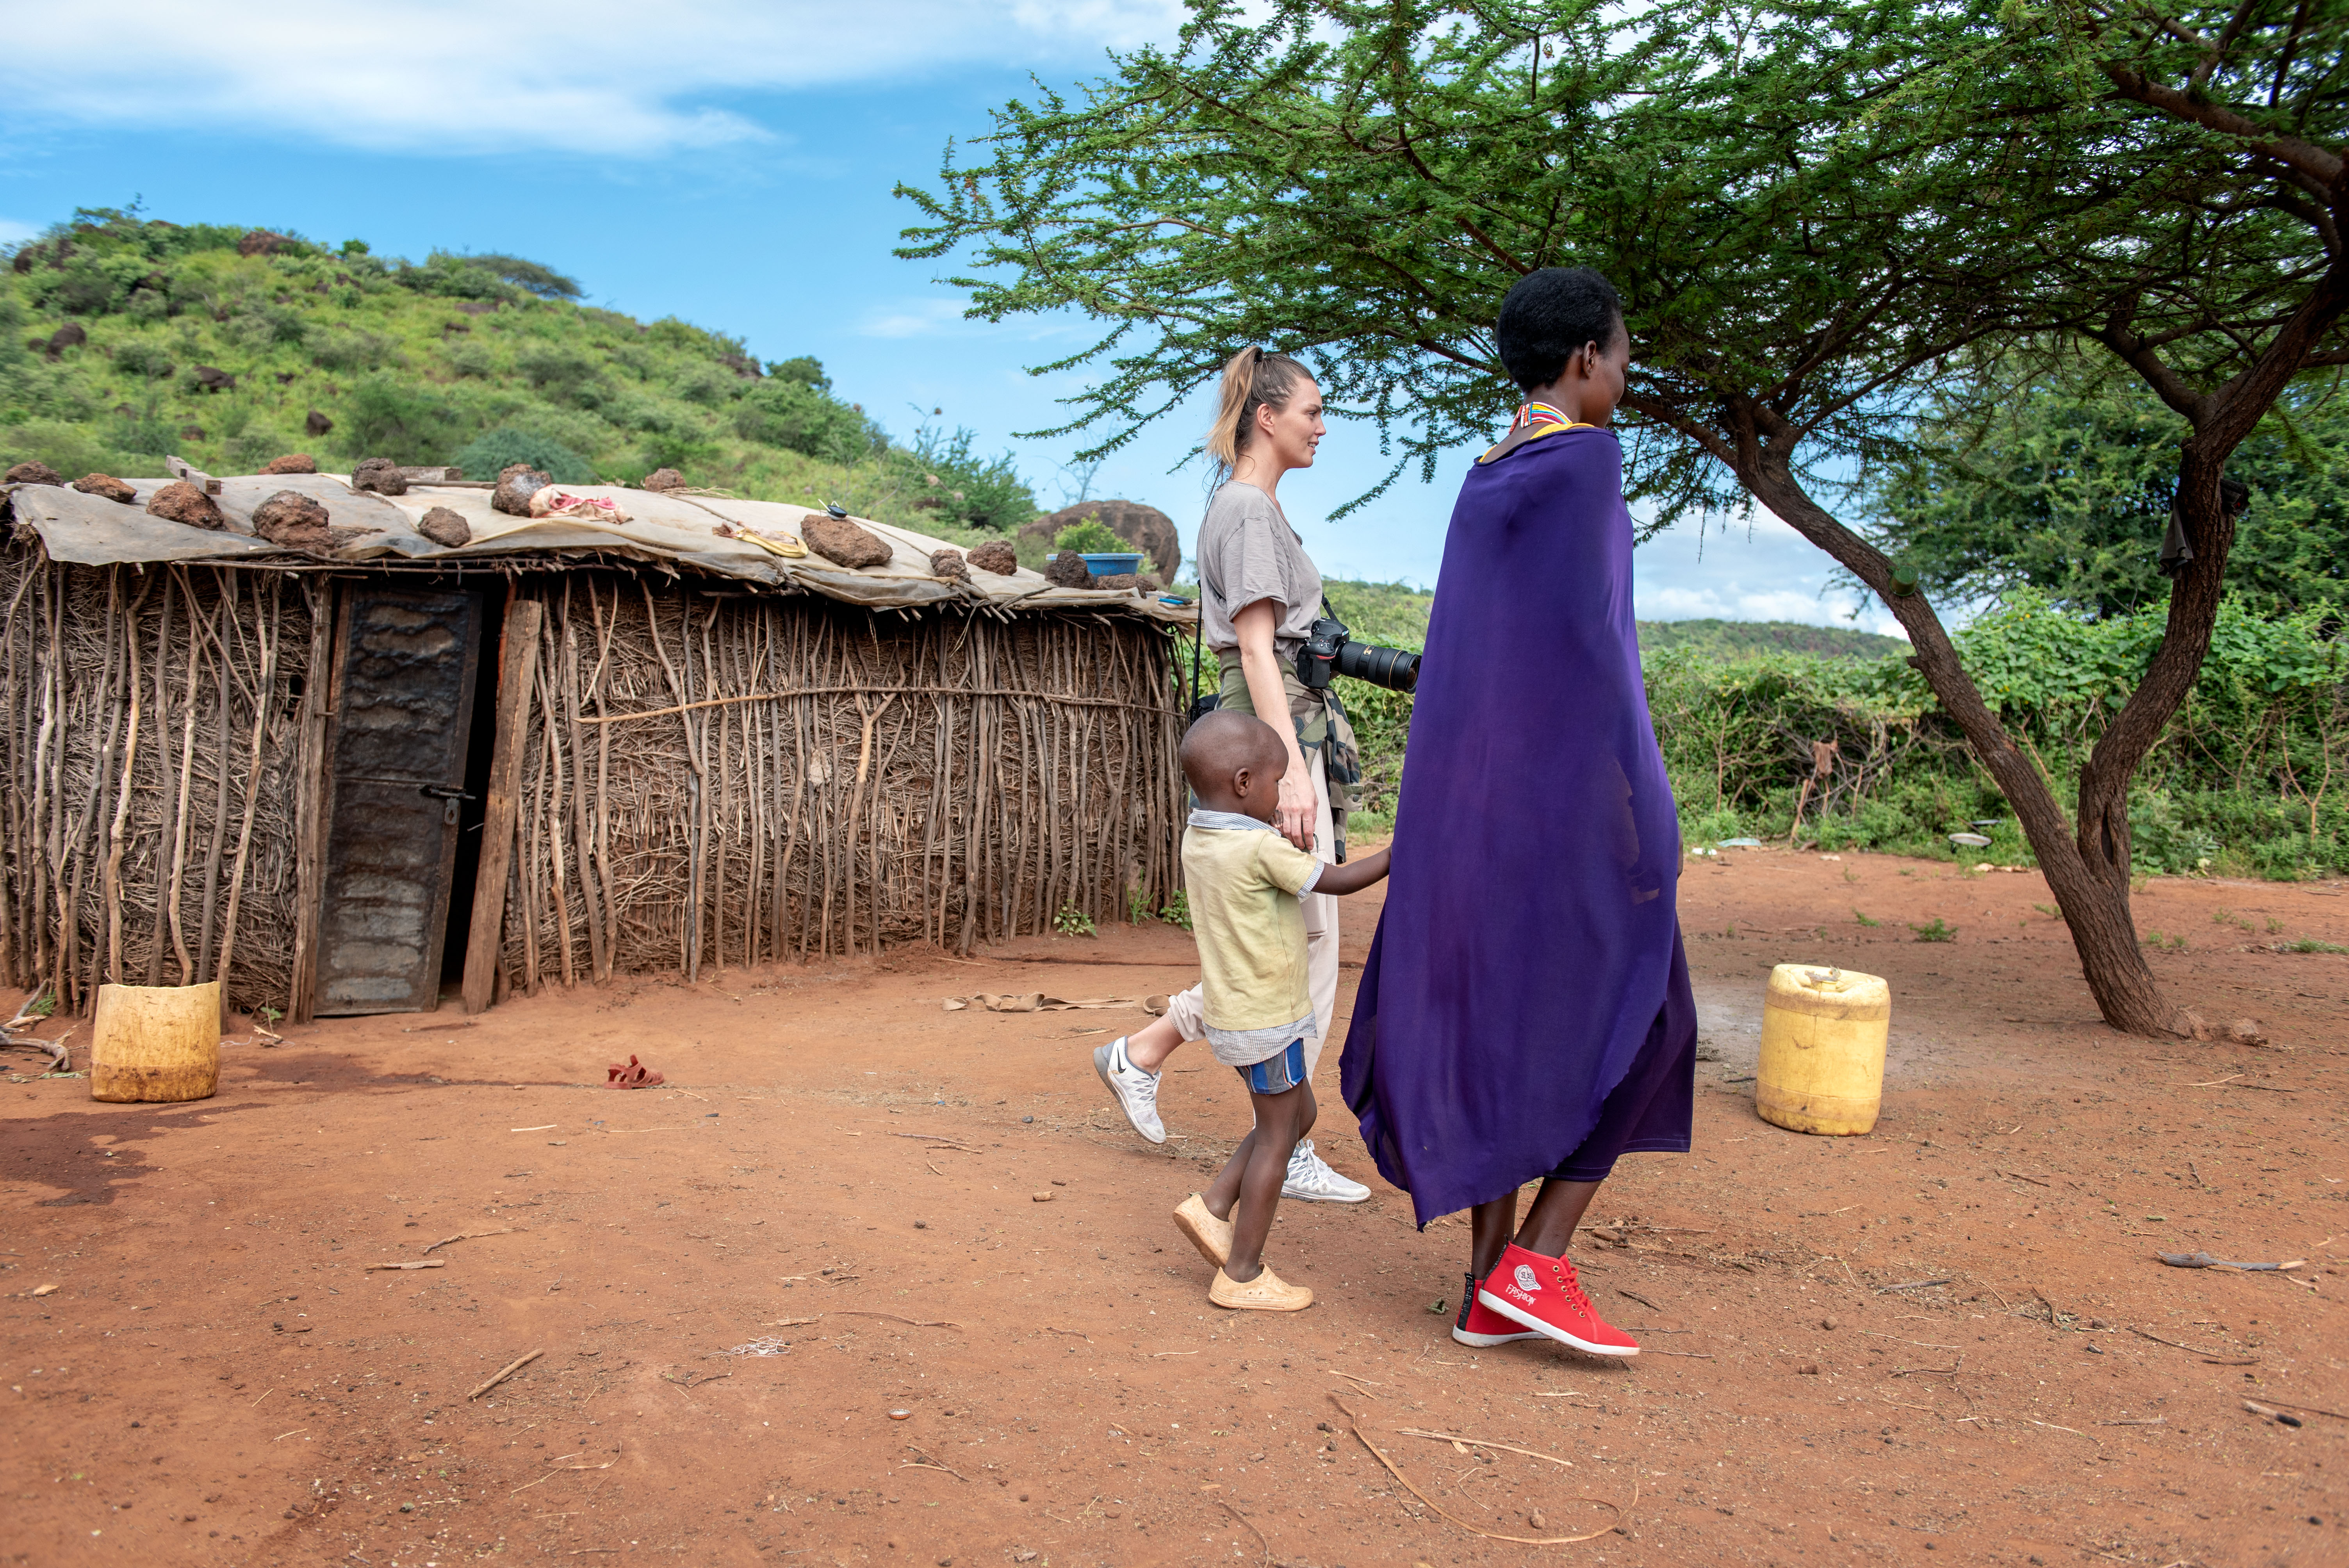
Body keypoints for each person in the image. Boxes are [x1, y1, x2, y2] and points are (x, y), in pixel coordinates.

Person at [1338, 267, 1697, 1357]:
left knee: (1498, 1021)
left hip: (1470, 806)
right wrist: (1646, 804)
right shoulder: (1586, 460)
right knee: (1656, 1018)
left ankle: (1486, 1282)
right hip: (1560, 809)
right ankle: (1536, 1264)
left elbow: (1473, 660)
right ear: (1586, 358)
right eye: (1625, 354)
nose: (1627, 375)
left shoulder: (1492, 471)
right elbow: (1600, 654)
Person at [1093, 347, 1373, 1204]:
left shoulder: (1246, 506)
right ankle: (1280, 1141)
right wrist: (1288, 776)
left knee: (1286, 940)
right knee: (1302, 943)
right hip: (1270, 738)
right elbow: (1257, 646)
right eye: (1312, 412)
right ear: (1267, 416)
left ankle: (1147, 1053)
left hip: (1267, 735)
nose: (1322, 427)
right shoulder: (1249, 510)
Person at [1163, 711, 1390, 1310]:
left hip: (1235, 1016)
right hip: (1270, 1020)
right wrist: (1399, 852)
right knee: (1277, 1141)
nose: (1278, 796)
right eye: (1276, 784)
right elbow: (1335, 882)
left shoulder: (1200, 836)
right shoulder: (1259, 845)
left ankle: (1213, 1207)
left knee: (1297, 1118)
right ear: (1243, 784)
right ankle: (1241, 1273)